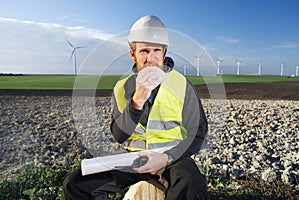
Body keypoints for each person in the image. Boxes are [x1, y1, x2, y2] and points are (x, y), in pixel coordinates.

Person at [63, 15, 208, 200]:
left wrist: (166, 158)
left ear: (164, 52)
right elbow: (119, 135)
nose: (151, 58)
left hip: (171, 158)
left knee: (190, 180)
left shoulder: (182, 85)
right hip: (131, 158)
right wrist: (136, 102)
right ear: (133, 54)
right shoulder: (122, 87)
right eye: (144, 51)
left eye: (157, 50)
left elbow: (199, 133)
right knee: (75, 184)